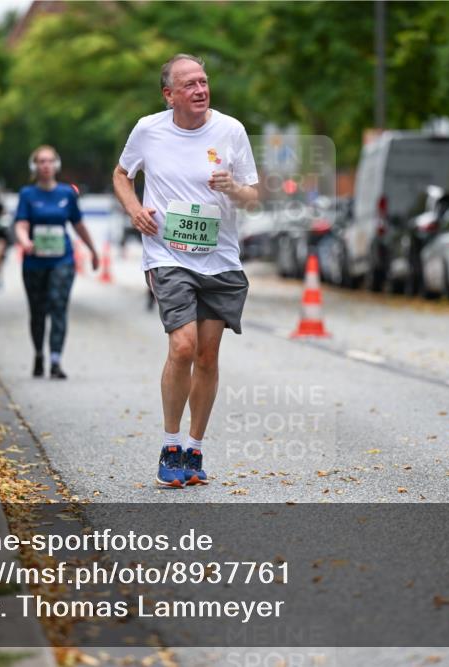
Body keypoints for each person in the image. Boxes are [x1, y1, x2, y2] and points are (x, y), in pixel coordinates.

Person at [113, 54, 259, 488]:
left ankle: (194, 449)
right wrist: (135, 210)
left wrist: (233, 187)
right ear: (169, 95)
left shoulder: (230, 130)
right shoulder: (149, 130)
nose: (200, 90)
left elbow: (252, 195)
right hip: (168, 254)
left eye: (204, 82)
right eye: (190, 84)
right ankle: (170, 443)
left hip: (220, 258)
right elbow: (122, 175)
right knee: (182, 347)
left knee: (207, 356)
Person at [14, 145, 99, 379]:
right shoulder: (27, 195)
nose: (46, 165)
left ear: (56, 165)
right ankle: (39, 354)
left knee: (58, 305)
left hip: (62, 259)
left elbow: (78, 224)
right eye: (41, 161)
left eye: (50, 161)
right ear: (35, 166)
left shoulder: (66, 194)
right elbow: (21, 224)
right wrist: (24, 241)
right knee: (38, 310)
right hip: (34, 262)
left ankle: (56, 360)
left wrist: (93, 250)